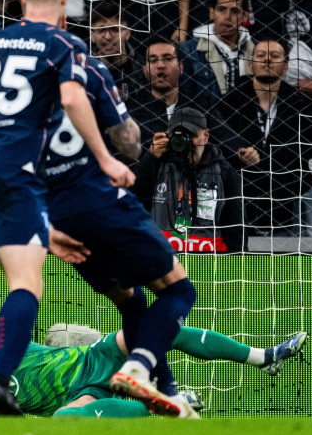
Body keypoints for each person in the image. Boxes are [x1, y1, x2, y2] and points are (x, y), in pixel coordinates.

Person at [0, 0, 134, 415]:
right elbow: (72, 98)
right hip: (18, 170)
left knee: (22, 276)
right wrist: (109, 156)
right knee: (28, 284)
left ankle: (0, 381)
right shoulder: (63, 43)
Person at [42, 54, 200, 416]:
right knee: (179, 289)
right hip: (100, 200)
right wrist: (121, 147)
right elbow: (129, 142)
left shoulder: (11, 85)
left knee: (130, 300)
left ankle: (168, 393)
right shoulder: (84, 64)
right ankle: (138, 366)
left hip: (57, 215)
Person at [0, 303, 307, 418]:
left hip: (92, 360)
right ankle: (164, 404)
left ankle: (262, 356)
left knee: (156, 328)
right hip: (82, 393)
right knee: (67, 421)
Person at [223, 40, 312, 236]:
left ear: (286, 66)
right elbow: (217, 145)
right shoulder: (227, 104)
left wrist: (290, 187)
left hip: (288, 209)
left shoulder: (303, 108)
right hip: (236, 208)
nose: (267, 60)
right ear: (251, 63)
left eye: (275, 56)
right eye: (261, 55)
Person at [132, 107, 245, 253]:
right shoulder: (157, 164)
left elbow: (236, 230)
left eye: (191, 135)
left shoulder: (223, 172)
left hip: (209, 264)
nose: (185, 142)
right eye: (177, 136)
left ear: (206, 135)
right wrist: (150, 158)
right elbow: (132, 203)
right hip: (165, 261)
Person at [129, 39, 249, 165]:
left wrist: (243, 151)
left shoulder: (200, 105)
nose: (160, 65)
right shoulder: (132, 111)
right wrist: (151, 155)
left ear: (181, 67)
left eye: (167, 59)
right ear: (144, 70)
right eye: (153, 60)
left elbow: (225, 135)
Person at [179, 0, 257, 99]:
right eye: (221, 9)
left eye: (234, 11)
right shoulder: (189, 50)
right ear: (212, 13)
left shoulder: (258, 50)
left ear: (245, 16)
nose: (227, 17)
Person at [87, 2, 146, 102]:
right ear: (92, 35)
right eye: (101, 30)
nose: (108, 37)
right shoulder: (84, 70)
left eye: (115, 29)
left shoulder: (144, 68)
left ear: (127, 33)